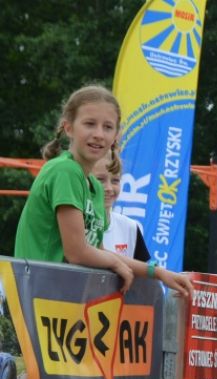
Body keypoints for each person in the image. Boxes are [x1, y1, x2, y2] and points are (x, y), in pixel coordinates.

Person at [15, 85, 191, 298]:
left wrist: (158, 272)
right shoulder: (65, 170)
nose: (99, 134)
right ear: (68, 128)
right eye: (90, 124)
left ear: (116, 135)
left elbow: (96, 251)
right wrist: (115, 263)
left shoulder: (95, 188)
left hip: (63, 299)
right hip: (38, 297)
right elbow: (77, 252)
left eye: (108, 127)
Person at [92, 151, 149, 262]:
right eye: (100, 180)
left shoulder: (130, 228)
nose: (109, 188)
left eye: (115, 181)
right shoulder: (72, 223)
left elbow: (142, 270)